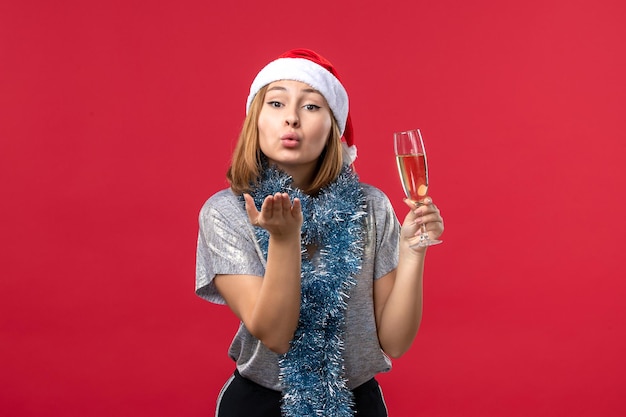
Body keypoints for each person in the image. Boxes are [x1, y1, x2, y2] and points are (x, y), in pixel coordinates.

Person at [195, 48, 444, 417]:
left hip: (356, 403)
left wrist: (412, 252)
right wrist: (283, 240)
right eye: (276, 103)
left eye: (311, 106)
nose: (292, 119)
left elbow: (395, 341)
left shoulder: (371, 206)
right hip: (261, 405)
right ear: (255, 120)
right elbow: (276, 335)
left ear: (334, 127)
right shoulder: (226, 212)